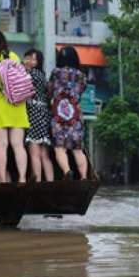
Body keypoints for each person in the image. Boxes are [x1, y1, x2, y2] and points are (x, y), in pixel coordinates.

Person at [0, 28, 30, 183]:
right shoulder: (13, 55)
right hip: (17, 102)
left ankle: (2, 179)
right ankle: (22, 178)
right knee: (18, 145)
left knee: (0, 145)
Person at [49, 46, 88, 180]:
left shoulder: (56, 72)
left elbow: (50, 90)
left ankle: (66, 171)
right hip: (75, 116)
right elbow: (81, 92)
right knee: (77, 149)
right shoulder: (81, 75)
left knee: (60, 148)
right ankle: (83, 177)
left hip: (58, 115)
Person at [24, 49, 54, 182]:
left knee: (34, 151)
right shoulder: (43, 75)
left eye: (33, 59)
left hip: (33, 113)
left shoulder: (29, 73)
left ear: (38, 62)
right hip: (44, 113)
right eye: (28, 58)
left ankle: (37, 182)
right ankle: (50, 182)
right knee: (44, 154)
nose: (29, 61)